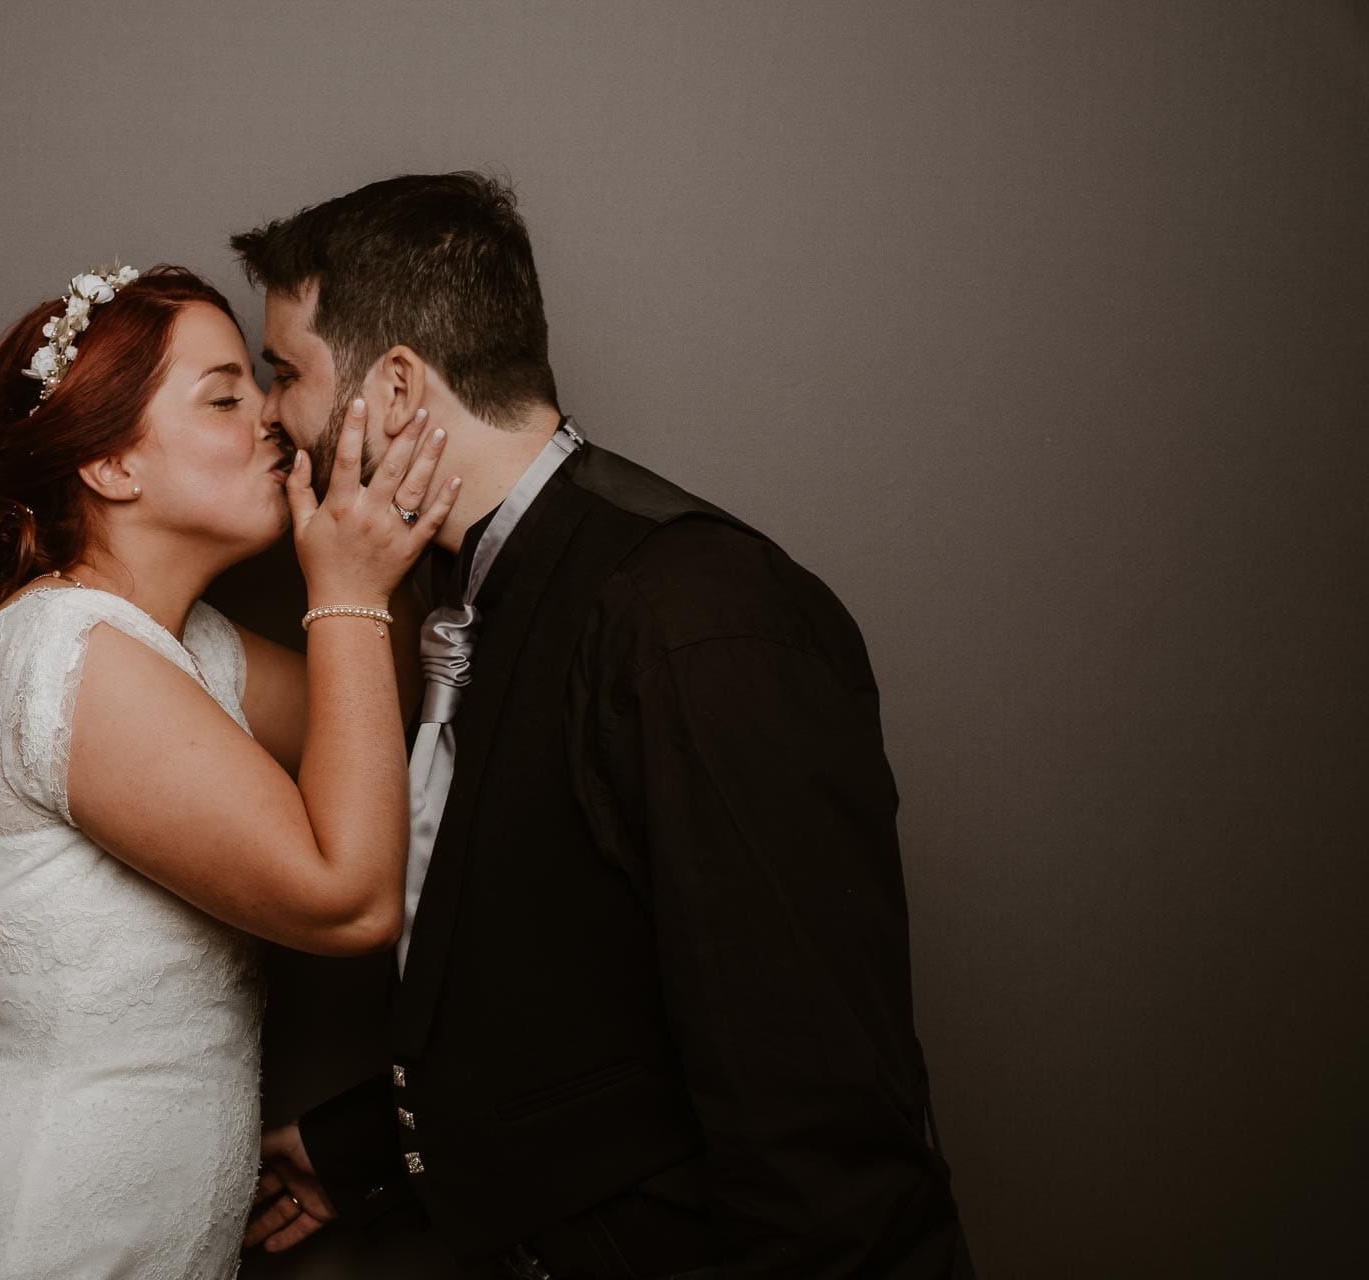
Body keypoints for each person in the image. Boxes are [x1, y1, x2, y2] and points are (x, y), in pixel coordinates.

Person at [236, 174, 973, 1278]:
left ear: (394, 388)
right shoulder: (460, 587)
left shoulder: (695, 614)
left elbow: (811, 1097)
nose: (270, 418)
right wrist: (363, 1148)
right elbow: (576, 987)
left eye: (283, 374)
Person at [0, 264, 459, 1279]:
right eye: (223, 397)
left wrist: (368, 512)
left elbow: (374, 733)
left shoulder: (184, 647)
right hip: (34, 1236)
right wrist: (346, 581)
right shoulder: (68, 651)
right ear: (111, 468)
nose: (269, 420)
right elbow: (346, 895)